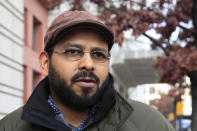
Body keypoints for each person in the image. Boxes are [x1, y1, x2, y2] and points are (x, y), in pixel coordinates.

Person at [0, 10, 175, 131]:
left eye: (98, 54)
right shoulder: (10, 127)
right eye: (73, 52)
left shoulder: (149, 123)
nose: (88, 64)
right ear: (46, 63)